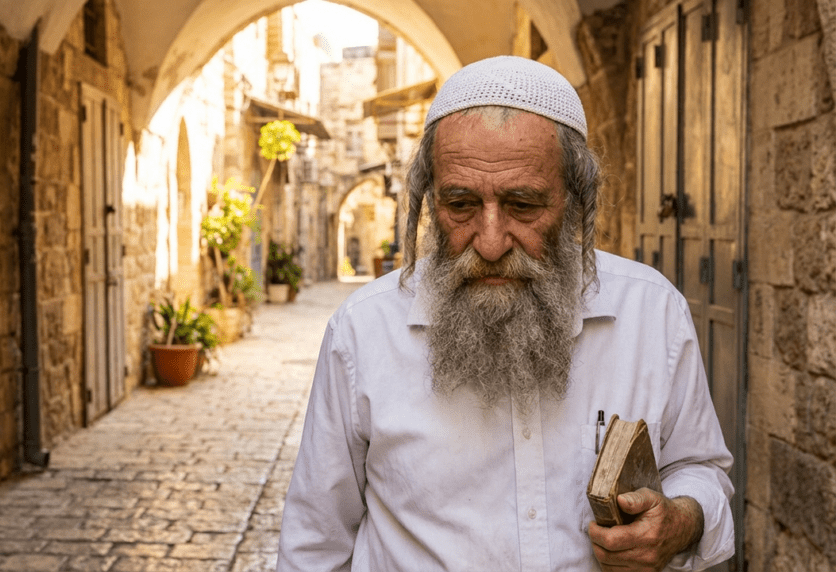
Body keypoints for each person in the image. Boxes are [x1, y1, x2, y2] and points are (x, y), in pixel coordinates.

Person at [277, 56, 734, 571]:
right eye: (461, 205)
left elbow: (700, 469)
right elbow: (313, 544)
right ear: (430, 200)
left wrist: (679, 521)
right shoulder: (362, 332)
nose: (491, 243)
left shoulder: (652, 313)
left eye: (523, 205)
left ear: (574, 201)